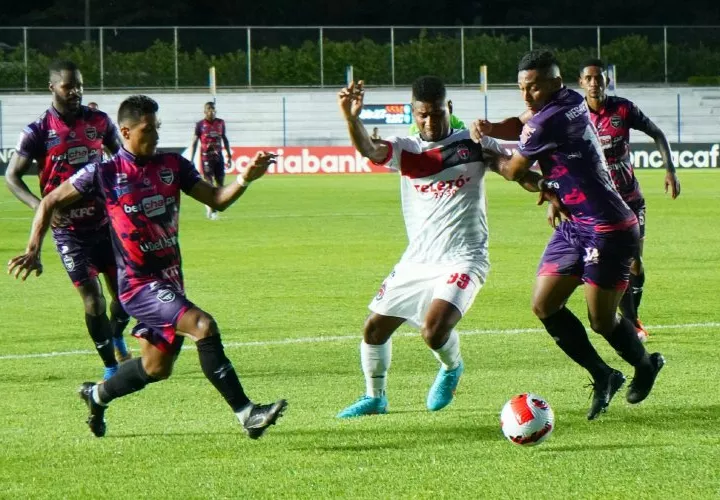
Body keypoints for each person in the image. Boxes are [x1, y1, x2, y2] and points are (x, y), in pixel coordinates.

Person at [8, 95, 287, 439]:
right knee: (203, 326)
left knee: (157, 368)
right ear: (124, 131)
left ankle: (95, 396)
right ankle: (248, 414)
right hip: (137, 285)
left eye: (157, 127)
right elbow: (50, 200)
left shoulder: (173, 164)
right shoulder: (104, 173)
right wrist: (33, 248)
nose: (155, 134)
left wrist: (245, 178)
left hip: (170, 281)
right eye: (147, 129)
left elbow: (216, 199)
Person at [335, 76, 547, 418]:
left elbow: (514, 172)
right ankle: (376, 398)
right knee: (373, 329)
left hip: (465, 258)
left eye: (436, 113)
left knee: (433, 332)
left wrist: (547, 187)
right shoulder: (406, 149)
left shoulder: (473, 143)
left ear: (448, 108)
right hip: (417, 261)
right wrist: (351, 118)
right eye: (422, 115)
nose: (430, 122)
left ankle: (452, 368)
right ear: (414, 114)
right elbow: (370, 150)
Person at [470, 50, 665, 420]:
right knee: (544, 305)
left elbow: (513, 170)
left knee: (602, 321)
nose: (526, 95)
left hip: (608, 227)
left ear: (554, 84)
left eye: (533, 88)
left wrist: (486, 152)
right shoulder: (569, 100)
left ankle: (646, 365)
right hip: (575, 222)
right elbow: (523, 122)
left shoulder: (553, 117)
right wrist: (494, 126)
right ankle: (604, 375)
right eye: (521, 87)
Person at [5, 60, 131, 379]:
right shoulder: (37, 131)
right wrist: (42, 207)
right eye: (68, 86)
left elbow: (123, 161)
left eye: (79, 85)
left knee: (126, 296)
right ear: (52, 88)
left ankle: (117, 334)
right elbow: (12, 177)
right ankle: (110, 367)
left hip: (106, 224)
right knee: (94, 302)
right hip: (70, 232)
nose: (75, 91)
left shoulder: (100, 122)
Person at [579, 58, 681, 341]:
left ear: (606, 81)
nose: (594, 82)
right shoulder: (575, 115)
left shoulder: (623, 108)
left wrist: (670, 170)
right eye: (589, 78)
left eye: (599, 77)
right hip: (598, 206)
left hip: (631, 200)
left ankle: (630, 316)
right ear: (581, 83)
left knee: (635, 263)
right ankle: (631, 321)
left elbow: (657, 133)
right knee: (614, 261)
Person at [190, 101, 233, 220]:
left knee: (220, 185)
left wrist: (229, 156)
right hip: (206, 158)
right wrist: (191, 159)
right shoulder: (200, 125)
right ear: (205, 111)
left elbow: (225, 139)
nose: (212, 111)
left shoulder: (220, 123)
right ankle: (212, 210)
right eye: (209, 109)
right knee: (209, 184)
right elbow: (194, 142)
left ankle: (214, 206)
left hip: (219, 157)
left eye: (213, 109)